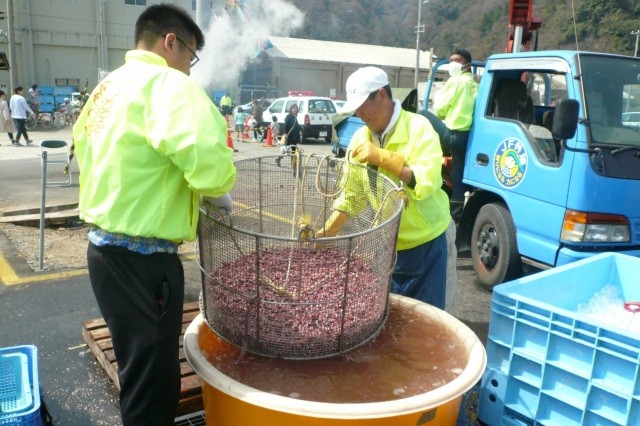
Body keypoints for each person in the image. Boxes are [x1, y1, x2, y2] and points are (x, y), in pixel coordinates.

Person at [72, 4, 237, 425]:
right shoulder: (168, 85)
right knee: (154, 383)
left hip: (104, 254)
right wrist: (219, 192)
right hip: (145, 262)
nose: (189, 70)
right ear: (171, 42)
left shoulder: (106, 89)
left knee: (137, 368)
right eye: (191, 57)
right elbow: (205, 156)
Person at [320, 66, 456, 310]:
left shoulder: (419, 128)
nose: (359, 113)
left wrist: (385, 158)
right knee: (392, 318)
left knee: (431, 319)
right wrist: (328, 231)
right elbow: (352, 197)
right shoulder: (360, 139)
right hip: (389, 244)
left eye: (362, 104)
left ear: (382, 95)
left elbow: (427, 182)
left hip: (428, 242)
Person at [420, 48, 478, 221]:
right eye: (451, 60)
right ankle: (456, 217)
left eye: (457, 60)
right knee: (458, 178)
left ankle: (432, 163)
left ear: (467, 64)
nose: (453, 63)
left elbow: (440, 109)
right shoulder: (475, 84)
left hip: (453, 135)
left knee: (423, 114)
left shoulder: (456, 82)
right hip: (466, 138)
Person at [275, 104, 301, 169]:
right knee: (289, 150)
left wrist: (301, 128)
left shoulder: (295, 116)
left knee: (293, 150)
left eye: (295, 108)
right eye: (293, 108)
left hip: (294, 136)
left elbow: (296, 125)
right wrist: (285, 133)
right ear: (291, 109)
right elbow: (285, 125)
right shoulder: (288, 116)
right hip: (290, 136)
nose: (294, 110)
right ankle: (280, 160)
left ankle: (291, 163)